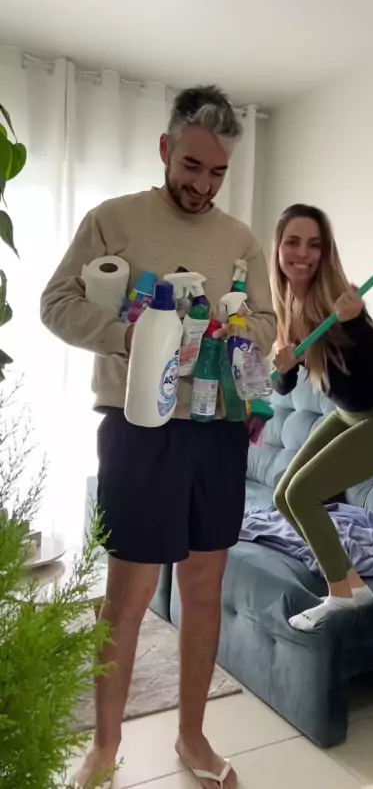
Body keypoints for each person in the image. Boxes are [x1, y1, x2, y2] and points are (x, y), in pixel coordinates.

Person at [41, 85, 276, 789]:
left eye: (218, 173)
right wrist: (133, 338)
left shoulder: (240, 239)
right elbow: (56, 303)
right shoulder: (113, 220)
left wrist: (238, 331)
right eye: (192, 166)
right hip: (139, 427)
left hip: (218, 426)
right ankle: (105, 746)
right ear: (166, 149)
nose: (203, 185)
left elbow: (267, 323)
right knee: (129, 595)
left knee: (203, 588)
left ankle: (192, 736)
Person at [271, 204, 373, 631]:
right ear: (278, 248)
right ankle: (354, 587)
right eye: (293, 242)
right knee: (284, 497)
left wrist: (354, 323)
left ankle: (339, 595)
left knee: (303, 494)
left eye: (314, 245)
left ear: (325, 252)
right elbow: (283, 384)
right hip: (349, 413)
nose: (303, 253)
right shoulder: (285, 304)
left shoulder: (338, 300)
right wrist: (284, 367)